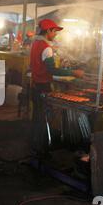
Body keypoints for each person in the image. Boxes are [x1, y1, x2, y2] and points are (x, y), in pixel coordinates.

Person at [30, 19, 84, 156]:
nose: (55, 34)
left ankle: (35, 145)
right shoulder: (46, 48)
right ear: (48, 31)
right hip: (43, 87)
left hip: (35, 85)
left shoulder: (36, 44)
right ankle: (42, 148)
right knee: (44, 117)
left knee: (37, 116)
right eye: (54, 31)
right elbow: (53, 70)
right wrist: (74, 73)